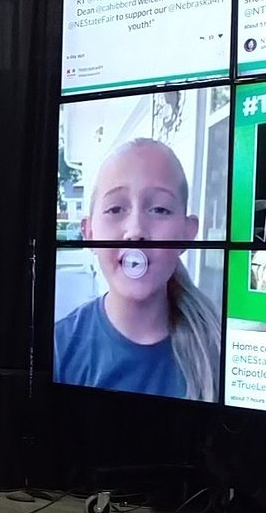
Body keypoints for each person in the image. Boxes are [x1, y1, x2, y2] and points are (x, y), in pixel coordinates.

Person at [55, 138, 221, 401]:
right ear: (89, 233)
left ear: (187, 234)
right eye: (115, 208)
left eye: (159, 209)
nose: (135, 231)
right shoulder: (58, 349)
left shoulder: (220, 352)